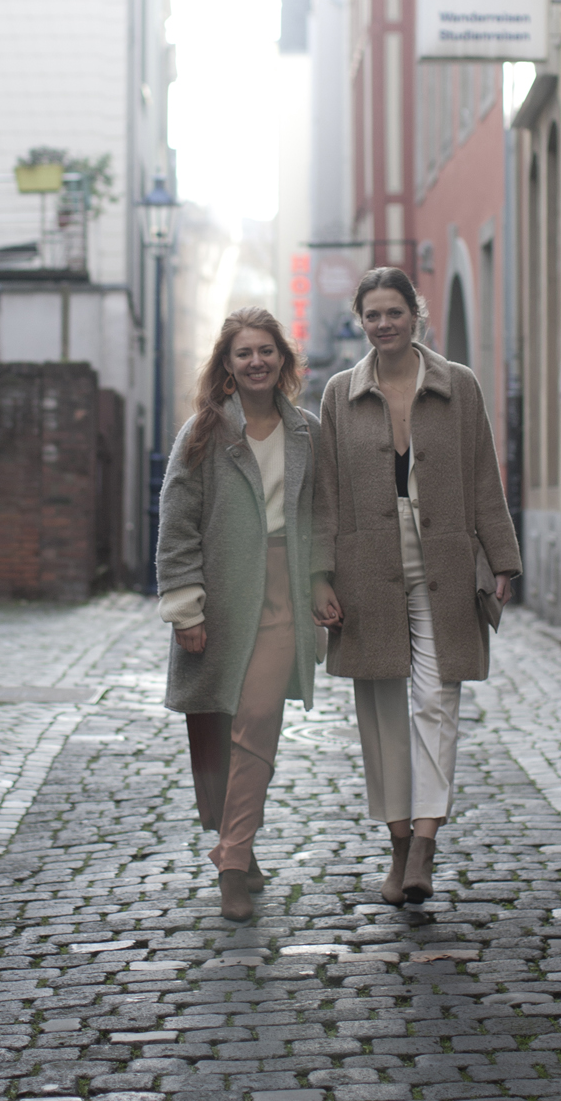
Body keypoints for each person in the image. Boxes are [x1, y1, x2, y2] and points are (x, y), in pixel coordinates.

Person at [312, 267, 522, 905]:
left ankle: (426, 842)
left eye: (393, 312)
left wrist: (501, 557)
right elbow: (323, 493)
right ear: (361, 320)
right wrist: (320, 574)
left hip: (444, 556)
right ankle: (397, 842)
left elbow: (483, 474)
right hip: (364, 564)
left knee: (437, 697)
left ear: (415, 314)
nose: (383, 324)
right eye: (372, 315)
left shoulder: (458, 385)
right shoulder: (338, 393)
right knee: (379, 709)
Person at [157, 306, 320, 922]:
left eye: (266, 351)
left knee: (255, 722)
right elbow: (176, 527)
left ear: (284, 359)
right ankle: (241, 846)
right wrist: (185, 607)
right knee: (213, 732)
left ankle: (229, 863)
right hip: (220, 597)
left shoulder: (307, 431)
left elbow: (320, 515)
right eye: (244, 353)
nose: (257, 362)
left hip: (284, 596)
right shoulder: (202, 433)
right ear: (227, 365)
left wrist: (322, 579)